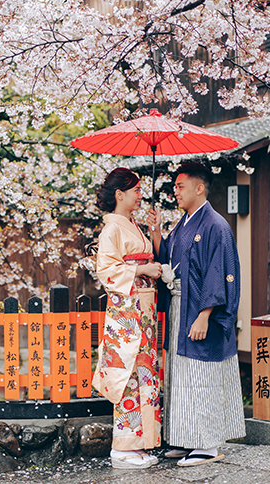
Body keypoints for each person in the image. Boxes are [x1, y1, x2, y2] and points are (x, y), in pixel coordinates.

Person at [149, 162, 246, 467]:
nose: (175, 191)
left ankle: (207, 444)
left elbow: (219, 274)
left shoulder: (215, 225)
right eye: (175, 186)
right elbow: (169, 260)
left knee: (202, 375)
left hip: (202, 311)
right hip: (181, 306)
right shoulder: (183, 223)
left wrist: (205, 315)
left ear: (199, 188)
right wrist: (156, 234)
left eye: (180, 186)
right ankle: (186, 438)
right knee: (182, 376)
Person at [92, 167, 162, 470]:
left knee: (145, 372)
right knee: (130, 374)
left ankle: (142, 443)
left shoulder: (132, 225)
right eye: (134, 189)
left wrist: (155, 231)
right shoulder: (113, 229)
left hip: (143, 310)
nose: (139, 194)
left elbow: (150, 257)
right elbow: (107, 271)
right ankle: (122, 448)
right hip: (128, 312)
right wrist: (143, 270)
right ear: (119, 194)